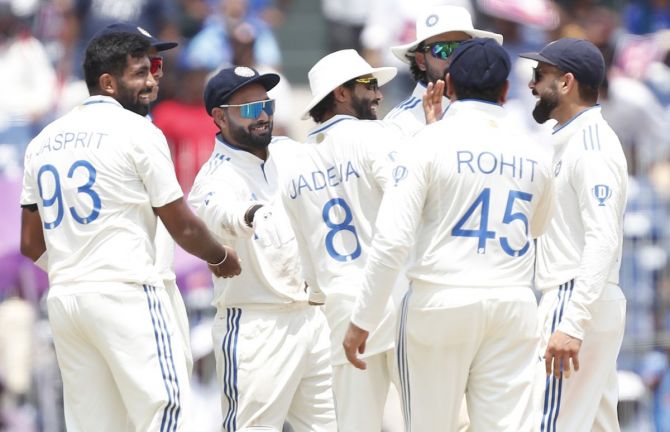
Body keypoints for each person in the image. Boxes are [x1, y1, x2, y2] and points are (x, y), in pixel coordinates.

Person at [19, 32, 241, 431]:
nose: (153, 81)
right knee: (166, 412)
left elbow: (30, 243)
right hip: (128, 292)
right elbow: (183, 225)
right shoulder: (139, 132)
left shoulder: (41, 142)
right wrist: (221, 257)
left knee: (95, 425)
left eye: (156, 69)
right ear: (108, 82)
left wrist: (79, 265)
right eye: (141, 72)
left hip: (68, 299)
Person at [343, 38, 555, 431]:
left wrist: (363, 319)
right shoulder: (537, 153)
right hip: (512, 302)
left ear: (449, 84)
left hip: (439, 301)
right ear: (506, 91)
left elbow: (391, 242)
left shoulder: (425, 142)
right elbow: (537, 228)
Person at [188, 66, 336, 432]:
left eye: (266, 104)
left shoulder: (288, 153)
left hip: (311, 318)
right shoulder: (213, 176)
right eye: (250, 108)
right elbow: (220, 213)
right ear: (220, 117)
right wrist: (252, 214)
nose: (264, 115)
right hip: (256, 326)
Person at [279, 49, 402, 432]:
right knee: (435, 419)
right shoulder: (376, 135)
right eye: (369, 85)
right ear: (341, 94)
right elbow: (410, 204)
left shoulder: (292, 164)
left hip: (339, 306)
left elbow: (302, 258)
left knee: (353, 425)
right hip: (394, 295)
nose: (379, 94)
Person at [519, 37, 628, 431]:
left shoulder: (591, 146)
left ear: (566, 83)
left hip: (574, 295)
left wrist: (573, 322)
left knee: (545, 426)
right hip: (589, 296)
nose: (532, 85)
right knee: (598, 425)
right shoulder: (574, 141)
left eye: (539, 75)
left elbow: (603, 239)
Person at [384, 4, 502, 136]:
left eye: (462, 47)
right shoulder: (400, 124)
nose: (454, 57)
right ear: (421, 61)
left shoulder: (491, 113)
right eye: (441, 49)